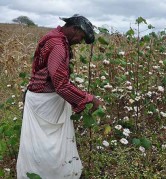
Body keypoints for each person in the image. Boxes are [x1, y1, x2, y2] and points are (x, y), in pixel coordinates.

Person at [16, 14, 102, 179]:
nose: (79, 41)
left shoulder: (55, 38)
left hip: (42, 98)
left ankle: (42, 173)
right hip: (44, 101)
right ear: (74, 29)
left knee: (41, 143)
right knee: (47, 145)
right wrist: (89, 99)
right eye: (81, 37)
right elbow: (61, 84)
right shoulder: (57, 46)